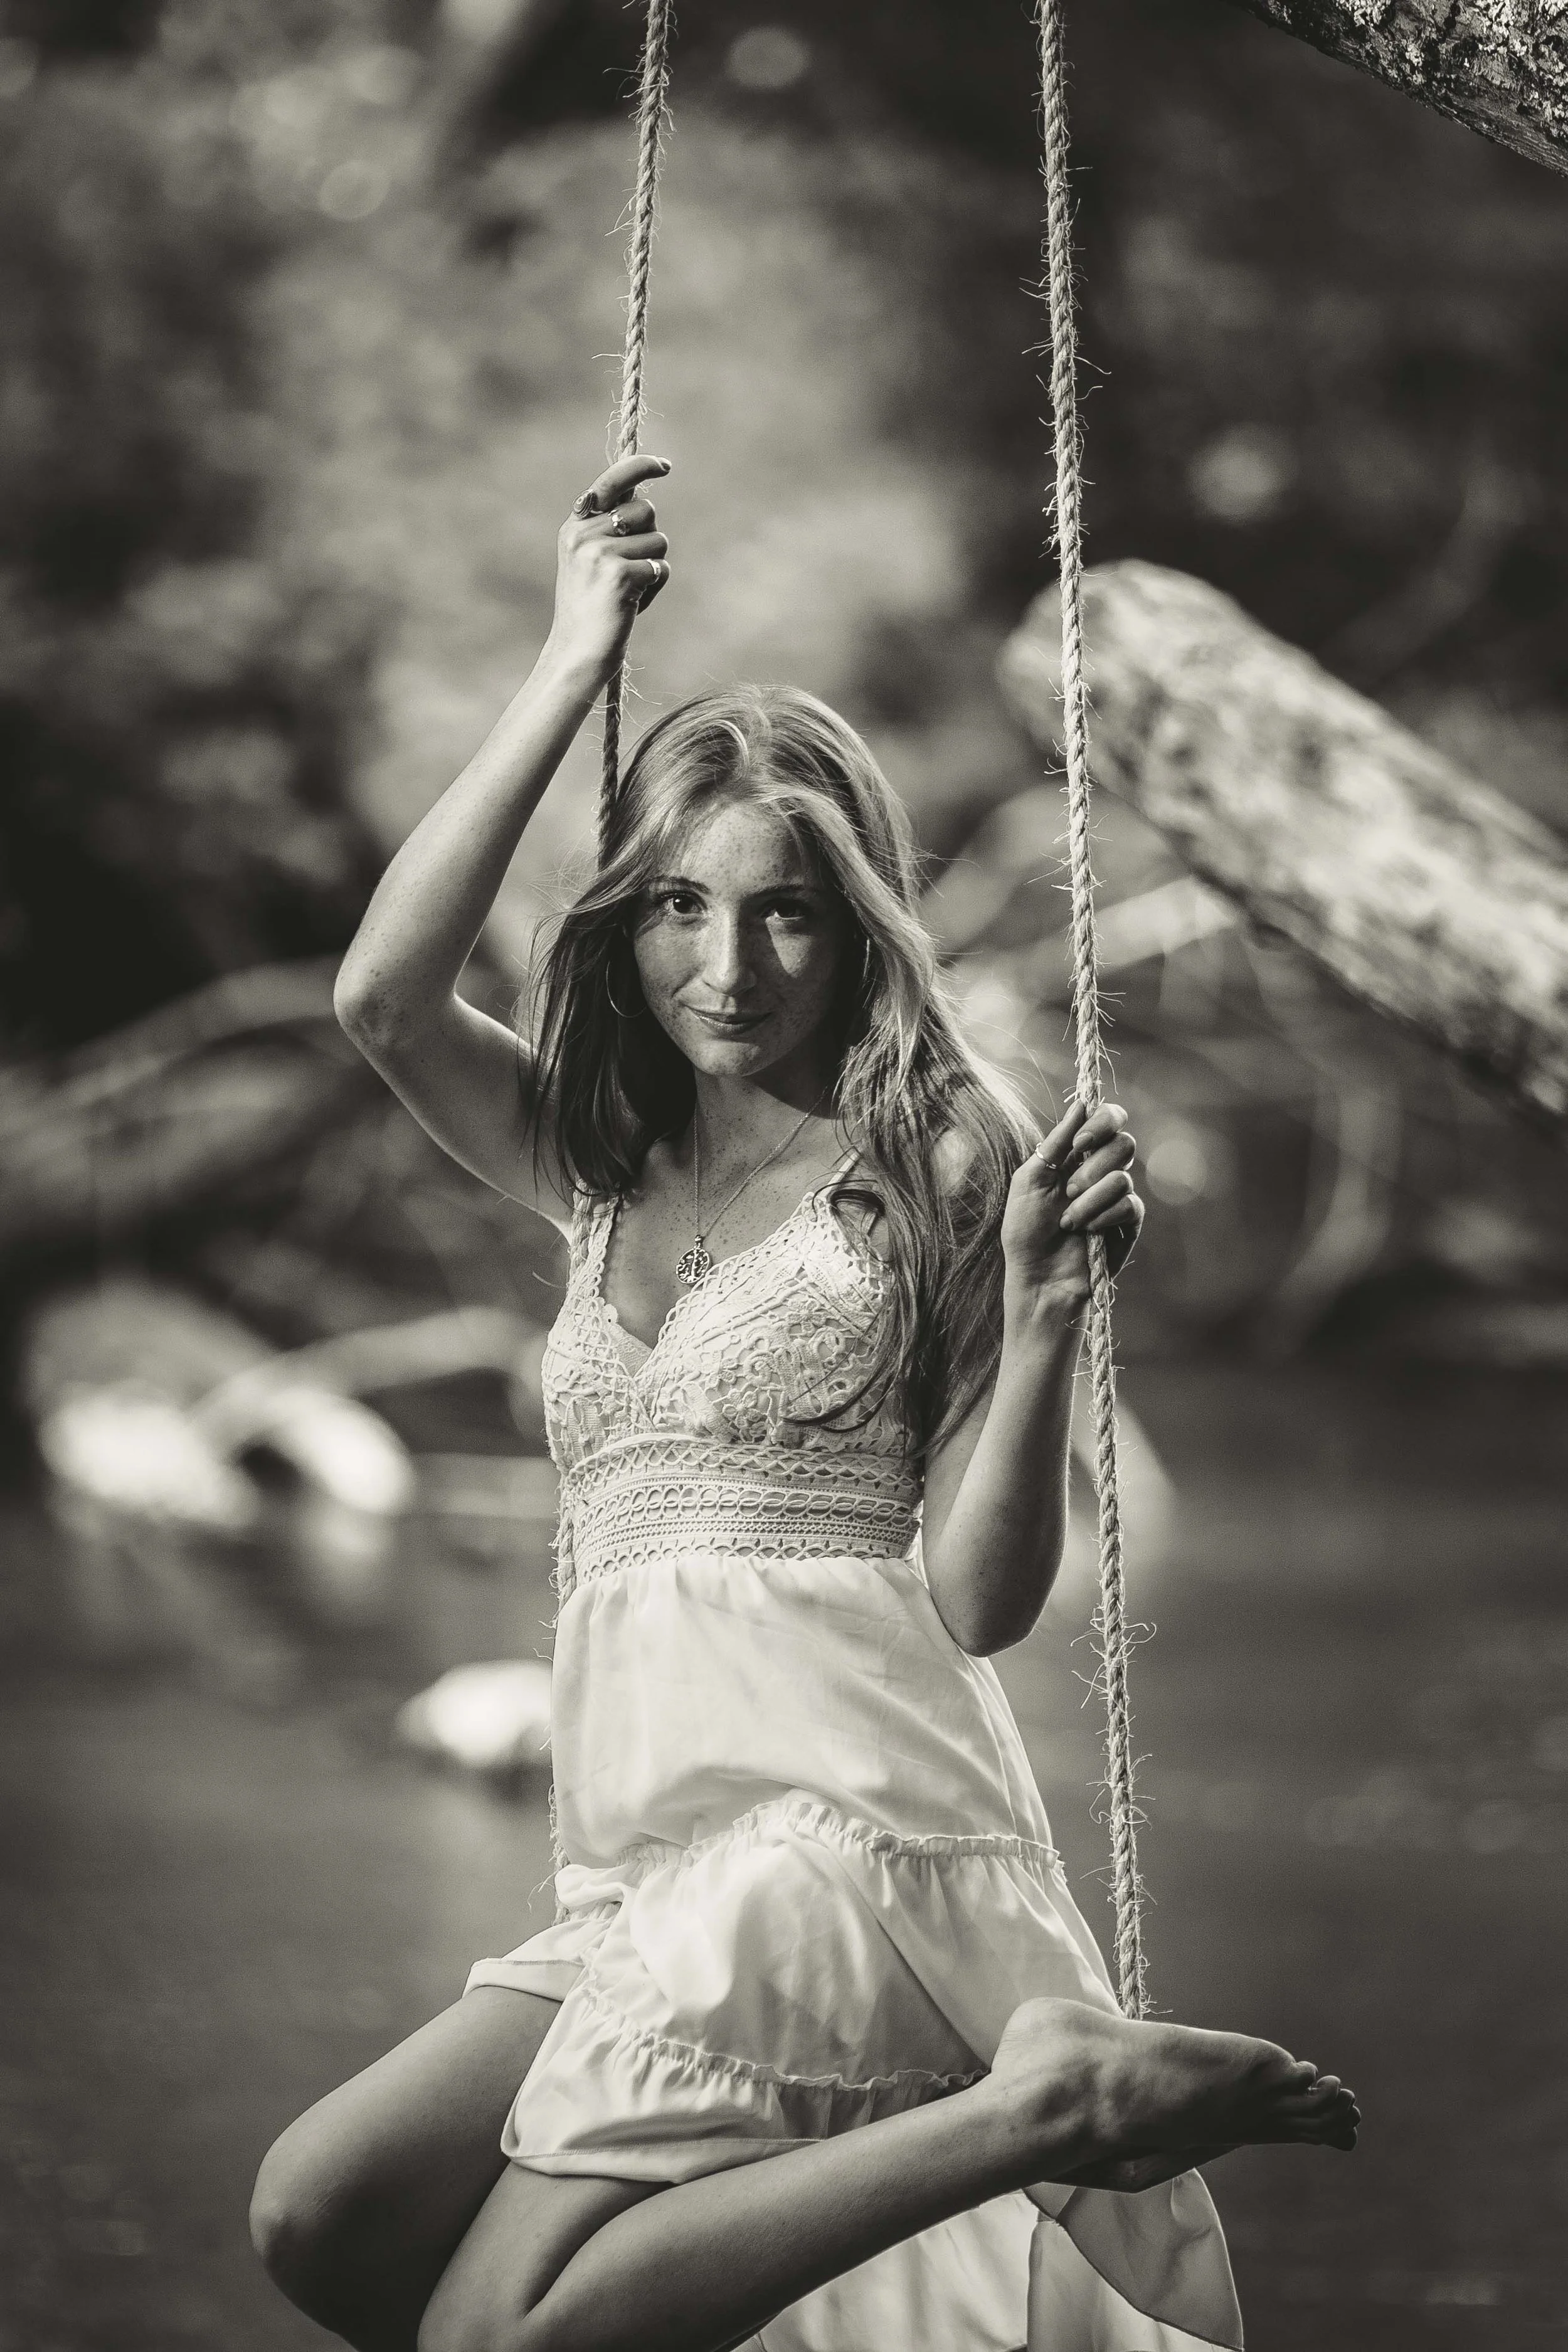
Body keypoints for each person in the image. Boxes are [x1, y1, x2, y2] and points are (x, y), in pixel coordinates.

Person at [250, 454, 1357, 2352]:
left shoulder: (927, 1154)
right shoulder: (597, 1161)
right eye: (678, 906)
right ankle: (1017, 2117)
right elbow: (379, 996)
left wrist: (1041, 1309)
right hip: (643, 1863)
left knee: (505, 2342)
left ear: (855, 927)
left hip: (839, 1826)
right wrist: (566, 655)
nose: (725, 964)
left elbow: (984, 1597)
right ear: (625, 920)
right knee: (326, 2214)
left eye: (782, 914)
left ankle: (1035, 2110)